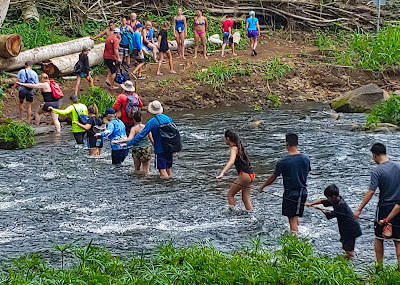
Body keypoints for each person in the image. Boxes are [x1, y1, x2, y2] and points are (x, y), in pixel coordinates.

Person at [354, 143, 400, 265]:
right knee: (398, 240)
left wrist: (359, 209)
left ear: (374, 155)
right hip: (398, 208)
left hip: (384, 207)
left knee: (379, 238)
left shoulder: (378, 171)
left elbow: (371, 192)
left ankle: (379, 268)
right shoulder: (399, 166)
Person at [258, 133, 311, 234]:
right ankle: (298, 235)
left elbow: (273, 177)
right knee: (293, 217)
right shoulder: (306, 159)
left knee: (292, 219)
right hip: (302, 192)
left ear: (287, 144)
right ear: (297, 143)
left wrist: (262, 187)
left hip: (291, 194)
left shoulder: (283, 162)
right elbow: (307, 171)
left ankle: (294, 242)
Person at [305, 184, 362, 259]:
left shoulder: (340, 205)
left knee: (347, 249)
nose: (327, 199)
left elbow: (329, 215)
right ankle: (351, 258)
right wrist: (311, 204)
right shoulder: (337, 199)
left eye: (328, 197)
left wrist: (320, 209)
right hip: (347, 228)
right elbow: (324, 202)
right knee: (346, 246)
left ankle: (353, 259)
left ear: (333, 197)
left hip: (350, 229)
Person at [120, 100, 175, 178]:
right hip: (169, 147)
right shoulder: (168, 119)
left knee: (162, 169)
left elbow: (141, 135)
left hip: (160, 148)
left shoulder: (152, 122)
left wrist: (127, 143)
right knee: (168, 168)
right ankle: (171, 183)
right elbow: (173, 133)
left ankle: (166, 186)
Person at [216, 130, 254, 211]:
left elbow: (231, 161)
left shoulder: (233, 148)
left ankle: (232, 215)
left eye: (225, 139)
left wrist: (222, 173)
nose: (224, 140)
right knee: (245, 198)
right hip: (251, 175)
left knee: (230, 194)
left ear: (228, 138)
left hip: (244, 175)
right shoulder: (240, 147)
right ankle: (251, 214)